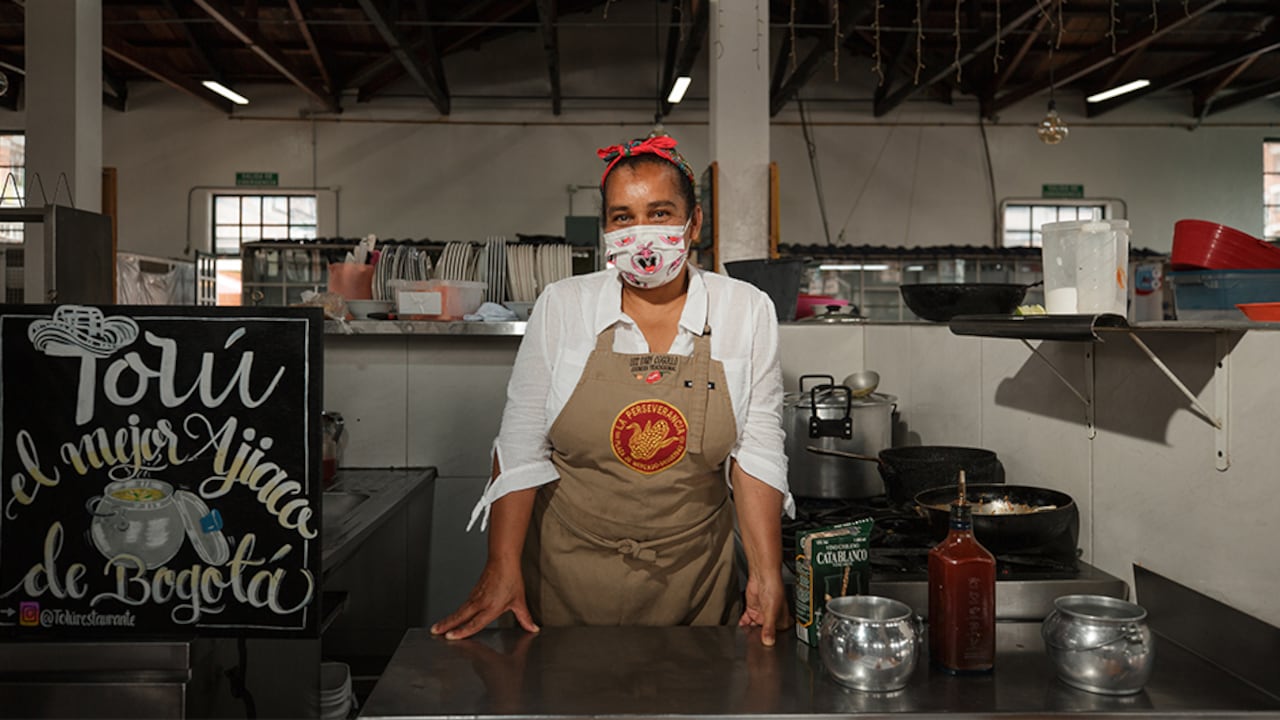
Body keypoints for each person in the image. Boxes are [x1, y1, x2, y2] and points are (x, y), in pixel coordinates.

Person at [431, 134, 794, 645]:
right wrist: (501, 564)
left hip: (694, 580)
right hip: (566, 577)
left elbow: (755, 450)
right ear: (606, 229)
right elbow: (520, 444)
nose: (641, 234)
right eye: (623, 217)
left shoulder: (744, 310)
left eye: (661, 212)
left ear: (695, 224)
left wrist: (765, 572)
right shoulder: (563, 306)